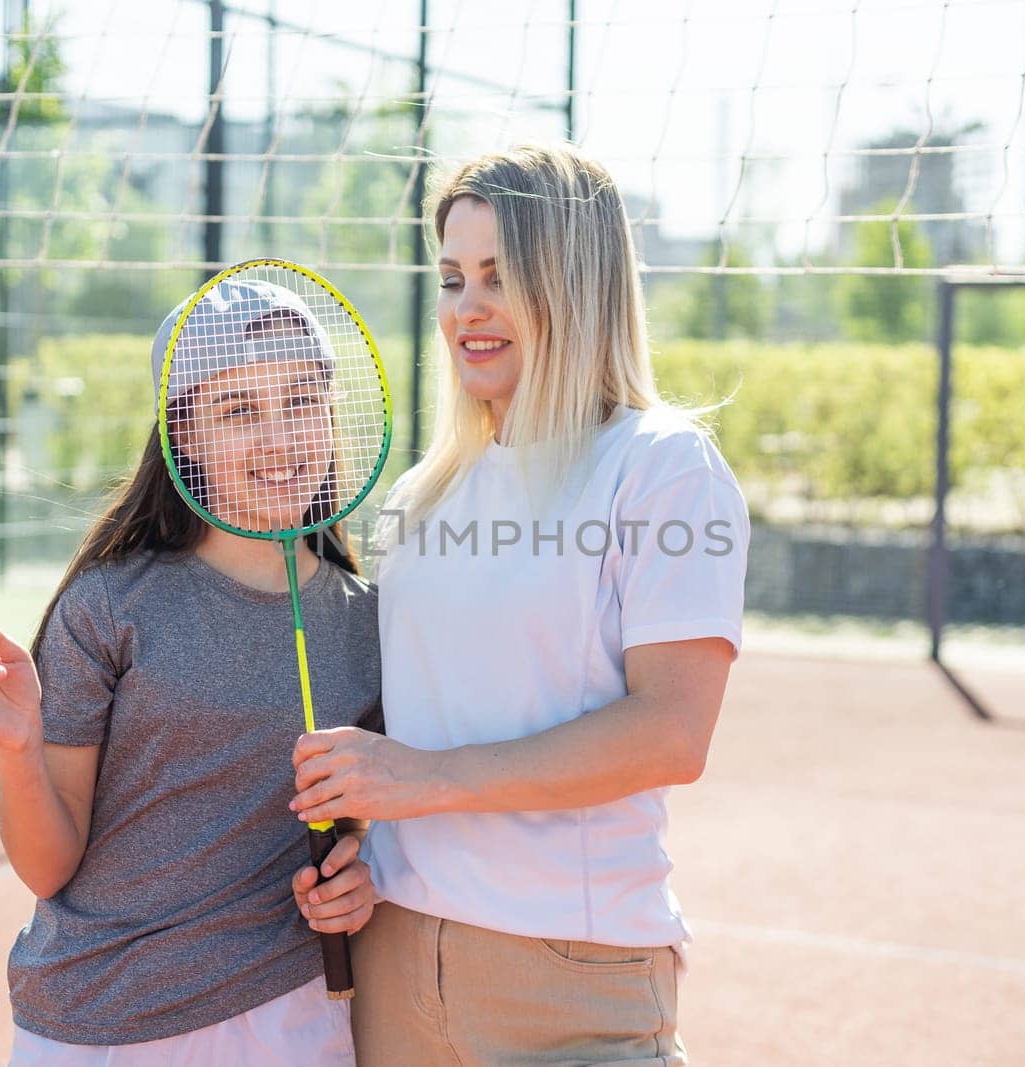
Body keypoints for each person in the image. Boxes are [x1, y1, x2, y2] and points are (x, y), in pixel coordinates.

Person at [290, 143, 750, 1065]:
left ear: (574, 283)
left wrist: (424, 778)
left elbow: (671, 733)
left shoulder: (660, 465)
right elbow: (407, 723)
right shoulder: (422, 496)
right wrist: (355, 849)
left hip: (567, 973)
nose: (469, 309)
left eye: (501, 276)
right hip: (395, 956)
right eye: (454, 278)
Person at [0, 278, 381, 1066]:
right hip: (94, 1020)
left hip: (293, 1011)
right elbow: (47, 865)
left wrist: (359, 872)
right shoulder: (108, 606)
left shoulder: (371, 620)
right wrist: (19, 746)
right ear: (184, 438)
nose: (279, 438)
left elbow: (366, 820)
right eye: (238, 409)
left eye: (302, 400)